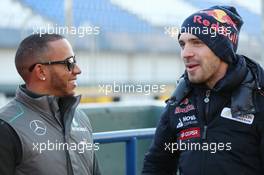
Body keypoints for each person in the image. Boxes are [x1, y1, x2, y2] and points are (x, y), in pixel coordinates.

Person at [142, 5, 264, 175]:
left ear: (222, 49)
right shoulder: (180, 99)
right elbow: (157, 164)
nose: (186, 53)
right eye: (182, 44)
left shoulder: (258, 95)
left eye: (197, 43)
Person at [0, 33, 101, 175]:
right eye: (69, 63)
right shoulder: (6, 127)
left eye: (75, 61)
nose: (77, 70)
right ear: (41, 71)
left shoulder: (79, 117)